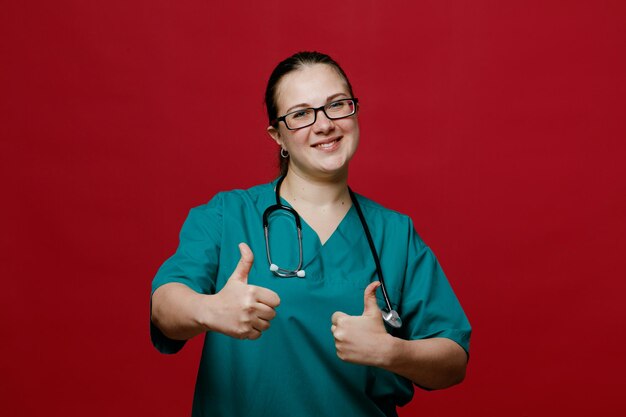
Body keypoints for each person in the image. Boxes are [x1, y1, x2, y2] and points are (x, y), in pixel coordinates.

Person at [150, 51, 471, 417]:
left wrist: (391, 351)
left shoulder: (394, 234)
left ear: (354, 112)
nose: (324, 125)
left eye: (337, 105)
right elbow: (164, 305)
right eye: (301, 114)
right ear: (278, 135)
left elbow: (453, 357)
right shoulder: (229, 215)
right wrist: (208, 309)